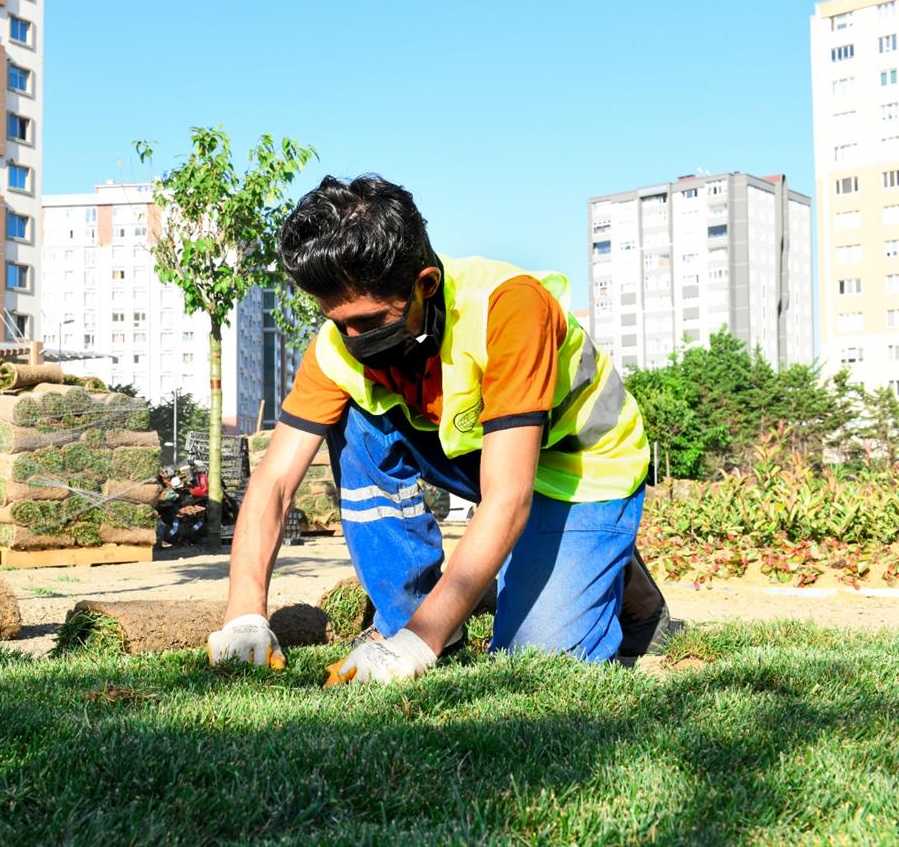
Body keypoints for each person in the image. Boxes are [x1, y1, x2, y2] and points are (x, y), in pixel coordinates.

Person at [207, 174, 672, 684]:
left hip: (581, 467)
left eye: (370, 321)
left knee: (534, 662)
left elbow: (509, 495)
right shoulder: (335, 344)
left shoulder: (509, 307)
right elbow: (274, 482)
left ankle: (608, 560)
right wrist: (244, 614)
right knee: (354, 422)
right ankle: (417, 615)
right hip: (482, 454)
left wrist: (414, 648)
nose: (354, 339)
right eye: (340, 322)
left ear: (425, 284)